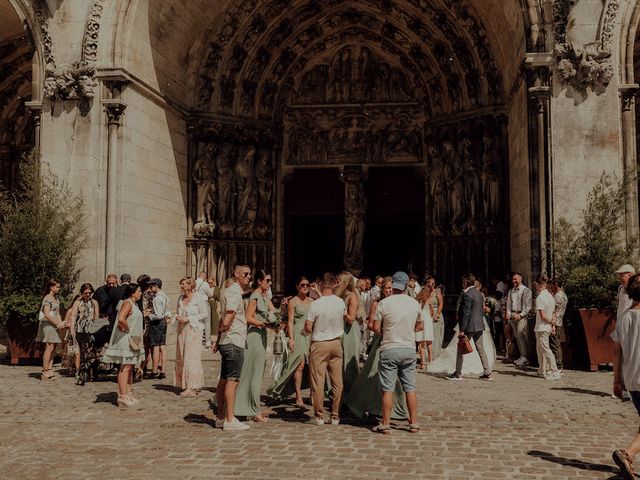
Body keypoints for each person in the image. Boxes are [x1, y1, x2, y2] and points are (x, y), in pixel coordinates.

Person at [344, 277, 408, 420]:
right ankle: (357, 403)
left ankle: (392, 409)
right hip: (381, 342)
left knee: (394, 380)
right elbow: (371, 324)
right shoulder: (377, 303)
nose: (391, 290)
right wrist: (384, 332)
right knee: (371, 374)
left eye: (392, 288)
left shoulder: (397, 303)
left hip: (394, 342)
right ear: (383, 290)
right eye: (388, 288)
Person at [372, 271, 422, 434]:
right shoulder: (414, 303)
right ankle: (413, 423)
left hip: (390, 348)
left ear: (393, 284)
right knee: (410, 388)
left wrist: (386, 331)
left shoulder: (384, 303)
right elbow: (420, 325)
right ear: (407, 284)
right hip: (408, 348)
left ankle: (386, 423)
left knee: (388, 388)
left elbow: (376, 327)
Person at [234, 270, 278, 422]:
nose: (270, 283)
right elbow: (247, 317)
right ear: (260, 281)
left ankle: (241, 406)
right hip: (254, 338)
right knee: (254, 373)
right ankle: (254, 410)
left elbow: (270, 315)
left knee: (253, 373)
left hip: (261, 336)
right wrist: (263, 324)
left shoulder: (264, 297)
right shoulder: (255, 296)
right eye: (268, 280)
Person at [304, 272, 346, 426]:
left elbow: (308, 327)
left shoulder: (316, 304)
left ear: (321, 284)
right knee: (337, 382)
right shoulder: (340, 302)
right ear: (334, 284)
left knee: (318, 381)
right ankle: (335, 415)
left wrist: (308, 329)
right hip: (336, 343)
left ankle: (319, 416)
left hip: (320, 344)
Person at [213, 264, 252, 431]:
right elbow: (228, 318)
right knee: (232, 381)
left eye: (250, 274)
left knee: (223, 380)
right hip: (234, 340)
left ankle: (221, 417)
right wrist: (222, 329)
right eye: (245, 274)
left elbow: (223, 317)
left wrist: (218, 336)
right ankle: (230, 419)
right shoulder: (235, 292)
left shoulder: (227, 291)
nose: (249, 276)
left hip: (226, 341)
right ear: (236, 275)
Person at [611, 273, 640, 480]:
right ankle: (627, 453)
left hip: (631, 378)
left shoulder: (624, 317)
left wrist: (616, 379)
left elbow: (616, 351)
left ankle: (628, 456)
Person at [269, 276, 314, 406]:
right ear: (297, 287)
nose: (305, 287)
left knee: (312, 366)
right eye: (302, 285)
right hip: (298, 333)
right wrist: (292, 339)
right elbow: (290, 321)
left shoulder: (312, 301)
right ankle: (298, 395)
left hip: (310, 334)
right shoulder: (293, 302)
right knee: (298, 365)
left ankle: (312, 393)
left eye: (307, 284)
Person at [102, 283, 145, 407]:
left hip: (133, 340)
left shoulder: (134, 304)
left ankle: (128, 392)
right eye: (139, 291)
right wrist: (127, 329)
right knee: (125, 366)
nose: (140, 293)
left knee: (130, 366)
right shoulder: (127, 303)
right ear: (133, 293)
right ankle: (122, 395)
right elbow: (121, 318)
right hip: (125, 339)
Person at [447, 273, 494, 381]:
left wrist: (462, 330)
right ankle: (487, 372)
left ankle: (458, 373)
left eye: (463, 282)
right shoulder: (479, 294)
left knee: (460, 348)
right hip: (479, 324)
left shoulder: (467, 294)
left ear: (465, 282)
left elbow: (466, 313)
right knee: (481, 349)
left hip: (470, 326)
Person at [171, 277, 206, 397]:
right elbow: (177, 311)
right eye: (180, 284)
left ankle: (193, 386)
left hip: (194, 329)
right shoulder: (180, 298)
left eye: (184, 284)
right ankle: (184, 383)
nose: (181, 286)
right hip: (182, 329)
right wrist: (177, 317)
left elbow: (204, 313)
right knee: (182, 354)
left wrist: (189, 318)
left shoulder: (198, 298)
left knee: (191, 356)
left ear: (191, 285)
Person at [335, 271, 362, 396]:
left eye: (339, 281)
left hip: (350, 331)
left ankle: (353, 394)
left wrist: (342, 311)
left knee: (349, 363)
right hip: (340, 330)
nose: (336, 283)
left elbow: (351, 319)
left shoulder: (352, 296)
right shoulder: (339, 297)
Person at [67, 283, 99, 379]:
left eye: (90, 293)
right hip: (79, 328)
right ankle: (78, 370)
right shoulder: (78, 302)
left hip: (90, 329)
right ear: (81, 293)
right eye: (86, 293)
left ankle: (88, 369)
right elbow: (73, 316)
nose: (88, 295)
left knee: (88, 350)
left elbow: (96, 316)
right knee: (78, 350)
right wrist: (72, 329)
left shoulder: (94, 302)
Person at [37, 279, 67, 381]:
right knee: (49, 346)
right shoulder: (47, 298)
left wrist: (61, 323)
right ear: (51, 287)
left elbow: (57, 313)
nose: (58, 289)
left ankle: (49, 368)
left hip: (55, 325)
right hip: (48, 325)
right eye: (57, 287)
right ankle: (44, 370)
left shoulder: (56, 299)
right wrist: (56, 323)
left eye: (59, 287)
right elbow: (46, 314)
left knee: (53, 347)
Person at [533, 277, 560, 380]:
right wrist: (552, 324)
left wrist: (551, 322)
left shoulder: (540, 298)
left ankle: (554, 370)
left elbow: (543, 316)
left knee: (545, 349)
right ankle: (542, 369)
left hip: (542, 327)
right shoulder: (550, 296)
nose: (536, 288)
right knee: (540, 349)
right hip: (545, 327)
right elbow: (553, 312)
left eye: (536, 286)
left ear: (540, 285)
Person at [506, 273, 532, 366]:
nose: (514, 281)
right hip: (513, 315)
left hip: (521, 316)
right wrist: (508, 313)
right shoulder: (511, 291)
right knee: (517, 336)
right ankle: (521, 355)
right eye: (513, 279)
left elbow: (528, 306)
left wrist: (521, 315)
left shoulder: (526, 290)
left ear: (520, 279)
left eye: (515, 279)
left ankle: (525, 356)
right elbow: (508, 303)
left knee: (521, 335)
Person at [147, 278, 170, 379]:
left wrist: (149, 315)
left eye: (151, 286)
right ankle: (163, 371)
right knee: (162, 346)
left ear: (156, 286)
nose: (150, 288)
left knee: (155, 347)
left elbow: (158, 315)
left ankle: (154, 371)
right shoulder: (165, 296)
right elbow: (166, 312)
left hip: (157, 323)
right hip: (163, 323)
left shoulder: (156, 299)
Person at [424, 275, 445, 360]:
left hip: (436, 313)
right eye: (431, 283)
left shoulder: (437, 291)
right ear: (427, 283)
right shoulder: (424, 291)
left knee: (436, 335)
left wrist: (437, 314)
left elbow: (441, 304)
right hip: (427, 313)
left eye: (434, 283)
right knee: (428, 335)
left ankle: (435, 355)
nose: (433, 284)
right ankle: (428, 356)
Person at [549, 278, 568, 371]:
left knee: (554, 343)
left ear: (555, 285)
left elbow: (553, 309)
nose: (550, 287)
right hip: (559, 320)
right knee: (555, 342)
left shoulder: (557, 296)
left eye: (551, 285)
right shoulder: (563, 295)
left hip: (555, 321)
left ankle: (558, 365)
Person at [415, 283, 435, 369]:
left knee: (421, 343)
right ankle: (430, 362)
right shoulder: (429, 300)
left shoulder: (417, 300)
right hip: (428, 321)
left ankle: (422, 363)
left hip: (420, 320)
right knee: (429, 343)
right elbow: (432, 313)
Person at [195, 271, 214, 347]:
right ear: (204, 276)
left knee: (198, 322)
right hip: (204, 303)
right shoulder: (205, 284)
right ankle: (208, 341)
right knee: (207, 322)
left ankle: (198, 340)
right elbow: (210, 294)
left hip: (196, 304)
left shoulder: (194, 282)